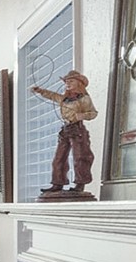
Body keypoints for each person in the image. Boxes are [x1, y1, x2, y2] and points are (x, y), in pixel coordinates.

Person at [32, 69, 98, 197]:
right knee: (59, 157)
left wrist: (82, 115)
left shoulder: (84, 98)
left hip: (77, 129)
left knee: (80, 156)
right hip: (66, 129)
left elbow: (93, 113)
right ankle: (58, 182)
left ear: (79, 83)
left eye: (71, 81)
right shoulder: (64, 98)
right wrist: (40, 91)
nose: (68, 84)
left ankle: (80, 183)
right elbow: (52, 96)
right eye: (66, 82)